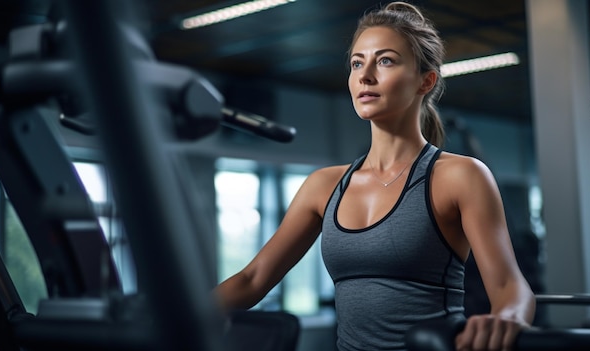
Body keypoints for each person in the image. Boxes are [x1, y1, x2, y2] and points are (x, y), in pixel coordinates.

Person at [214, 2, 536, 350]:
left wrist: (508, 317)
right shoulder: (324, 186)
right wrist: (166, 312)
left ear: (425, 81)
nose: (365, 75)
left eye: (385, 61)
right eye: (357, 63)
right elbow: (252, 279)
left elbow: (508, 286)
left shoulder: (460, 176)